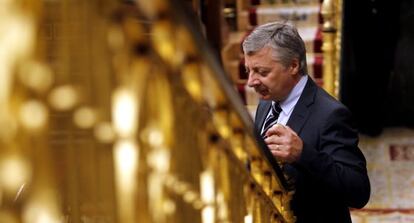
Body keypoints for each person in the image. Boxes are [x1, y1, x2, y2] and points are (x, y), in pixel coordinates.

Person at [242, 22, 370, 223]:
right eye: (248, 71)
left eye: (262, 72)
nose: (251, 82)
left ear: (293, 66)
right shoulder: (267, 103)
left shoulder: (331, 115)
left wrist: (304, 154)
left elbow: (359, 191)